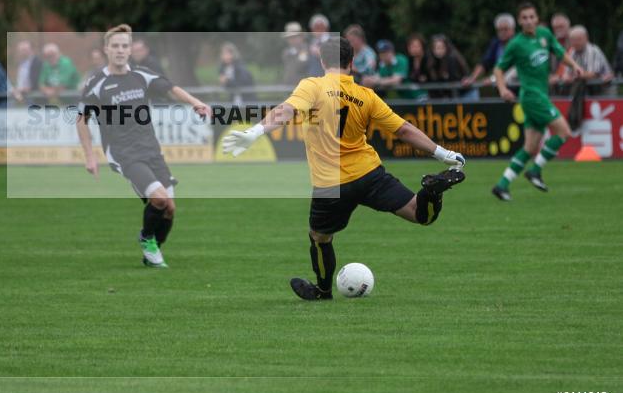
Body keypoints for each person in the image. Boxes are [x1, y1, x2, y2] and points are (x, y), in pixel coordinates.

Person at [221, 36, 466, 300]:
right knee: (420, 214)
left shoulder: (312, 86)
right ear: (351, 62)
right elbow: (404, 130)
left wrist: (255, 132)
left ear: (321, 61)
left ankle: (323, 291)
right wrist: (444, 153)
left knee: (319, 237)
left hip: (331, 184)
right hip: (369, 174)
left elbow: (287, 110)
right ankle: (431, 192)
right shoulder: (366, 95)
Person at [76, 24, 211, 268]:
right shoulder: (96, 83)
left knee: (169, 208)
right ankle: (147, 239)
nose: (120, 50)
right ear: (106, 49)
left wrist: (195, 102)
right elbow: (81, 120)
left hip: (150, 148)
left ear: (130, 50)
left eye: (124, 46)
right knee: (159, 199)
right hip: (124, 153)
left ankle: (152, 250)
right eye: (115, 46)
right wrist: (89, 156)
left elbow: (171, 89)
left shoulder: (141, 75)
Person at [492, 2, 585, 201]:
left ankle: (502, 185)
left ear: (537, 18)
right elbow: (498, 69)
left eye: (531, 17)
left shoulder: (545, 34)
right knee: (564, 132)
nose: (528, 21)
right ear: (519, 21)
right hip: (532, 96)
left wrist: (574, 65)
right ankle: (535, 170)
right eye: (524, 18)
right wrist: (502, 88)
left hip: (539, 95)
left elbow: (560, 52)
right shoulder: (516, 44)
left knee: (530, 147)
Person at [462, 13, 517, 89]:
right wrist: (472, 78)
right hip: (503, 88)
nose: (502, 32)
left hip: (519, 87)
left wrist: (493, 79)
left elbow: (515, 68)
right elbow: (485, 62)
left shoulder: (518, 43)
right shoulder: (496, 44)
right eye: (500, 30)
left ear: (513, 30)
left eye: (505, 29)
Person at [562, 26, 614, 95]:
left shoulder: (593, 51)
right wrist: (566, 76)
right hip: (587, 91)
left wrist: (573, 77)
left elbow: (593, 74)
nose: (576, 42)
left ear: (586, 38)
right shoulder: (572, 52)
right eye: (573, 40)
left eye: (578, 39)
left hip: (604, 92)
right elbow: (566, 73)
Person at [427, 35, 469, 99]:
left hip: (464, 93)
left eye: (441, 47)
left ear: (446, 47)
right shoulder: (432, 61)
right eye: (436, 48)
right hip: (449, 95)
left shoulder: (452, 58)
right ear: (432, 49)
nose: (439, 50)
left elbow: (454, 80)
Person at [549, 12, 572, 89]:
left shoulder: (575, 40)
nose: (558, 29)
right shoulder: (551, 43)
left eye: (561, 26)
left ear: (568, 26)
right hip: (555, 84)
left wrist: (559, 75)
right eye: (556, 27)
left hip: (573, 83)